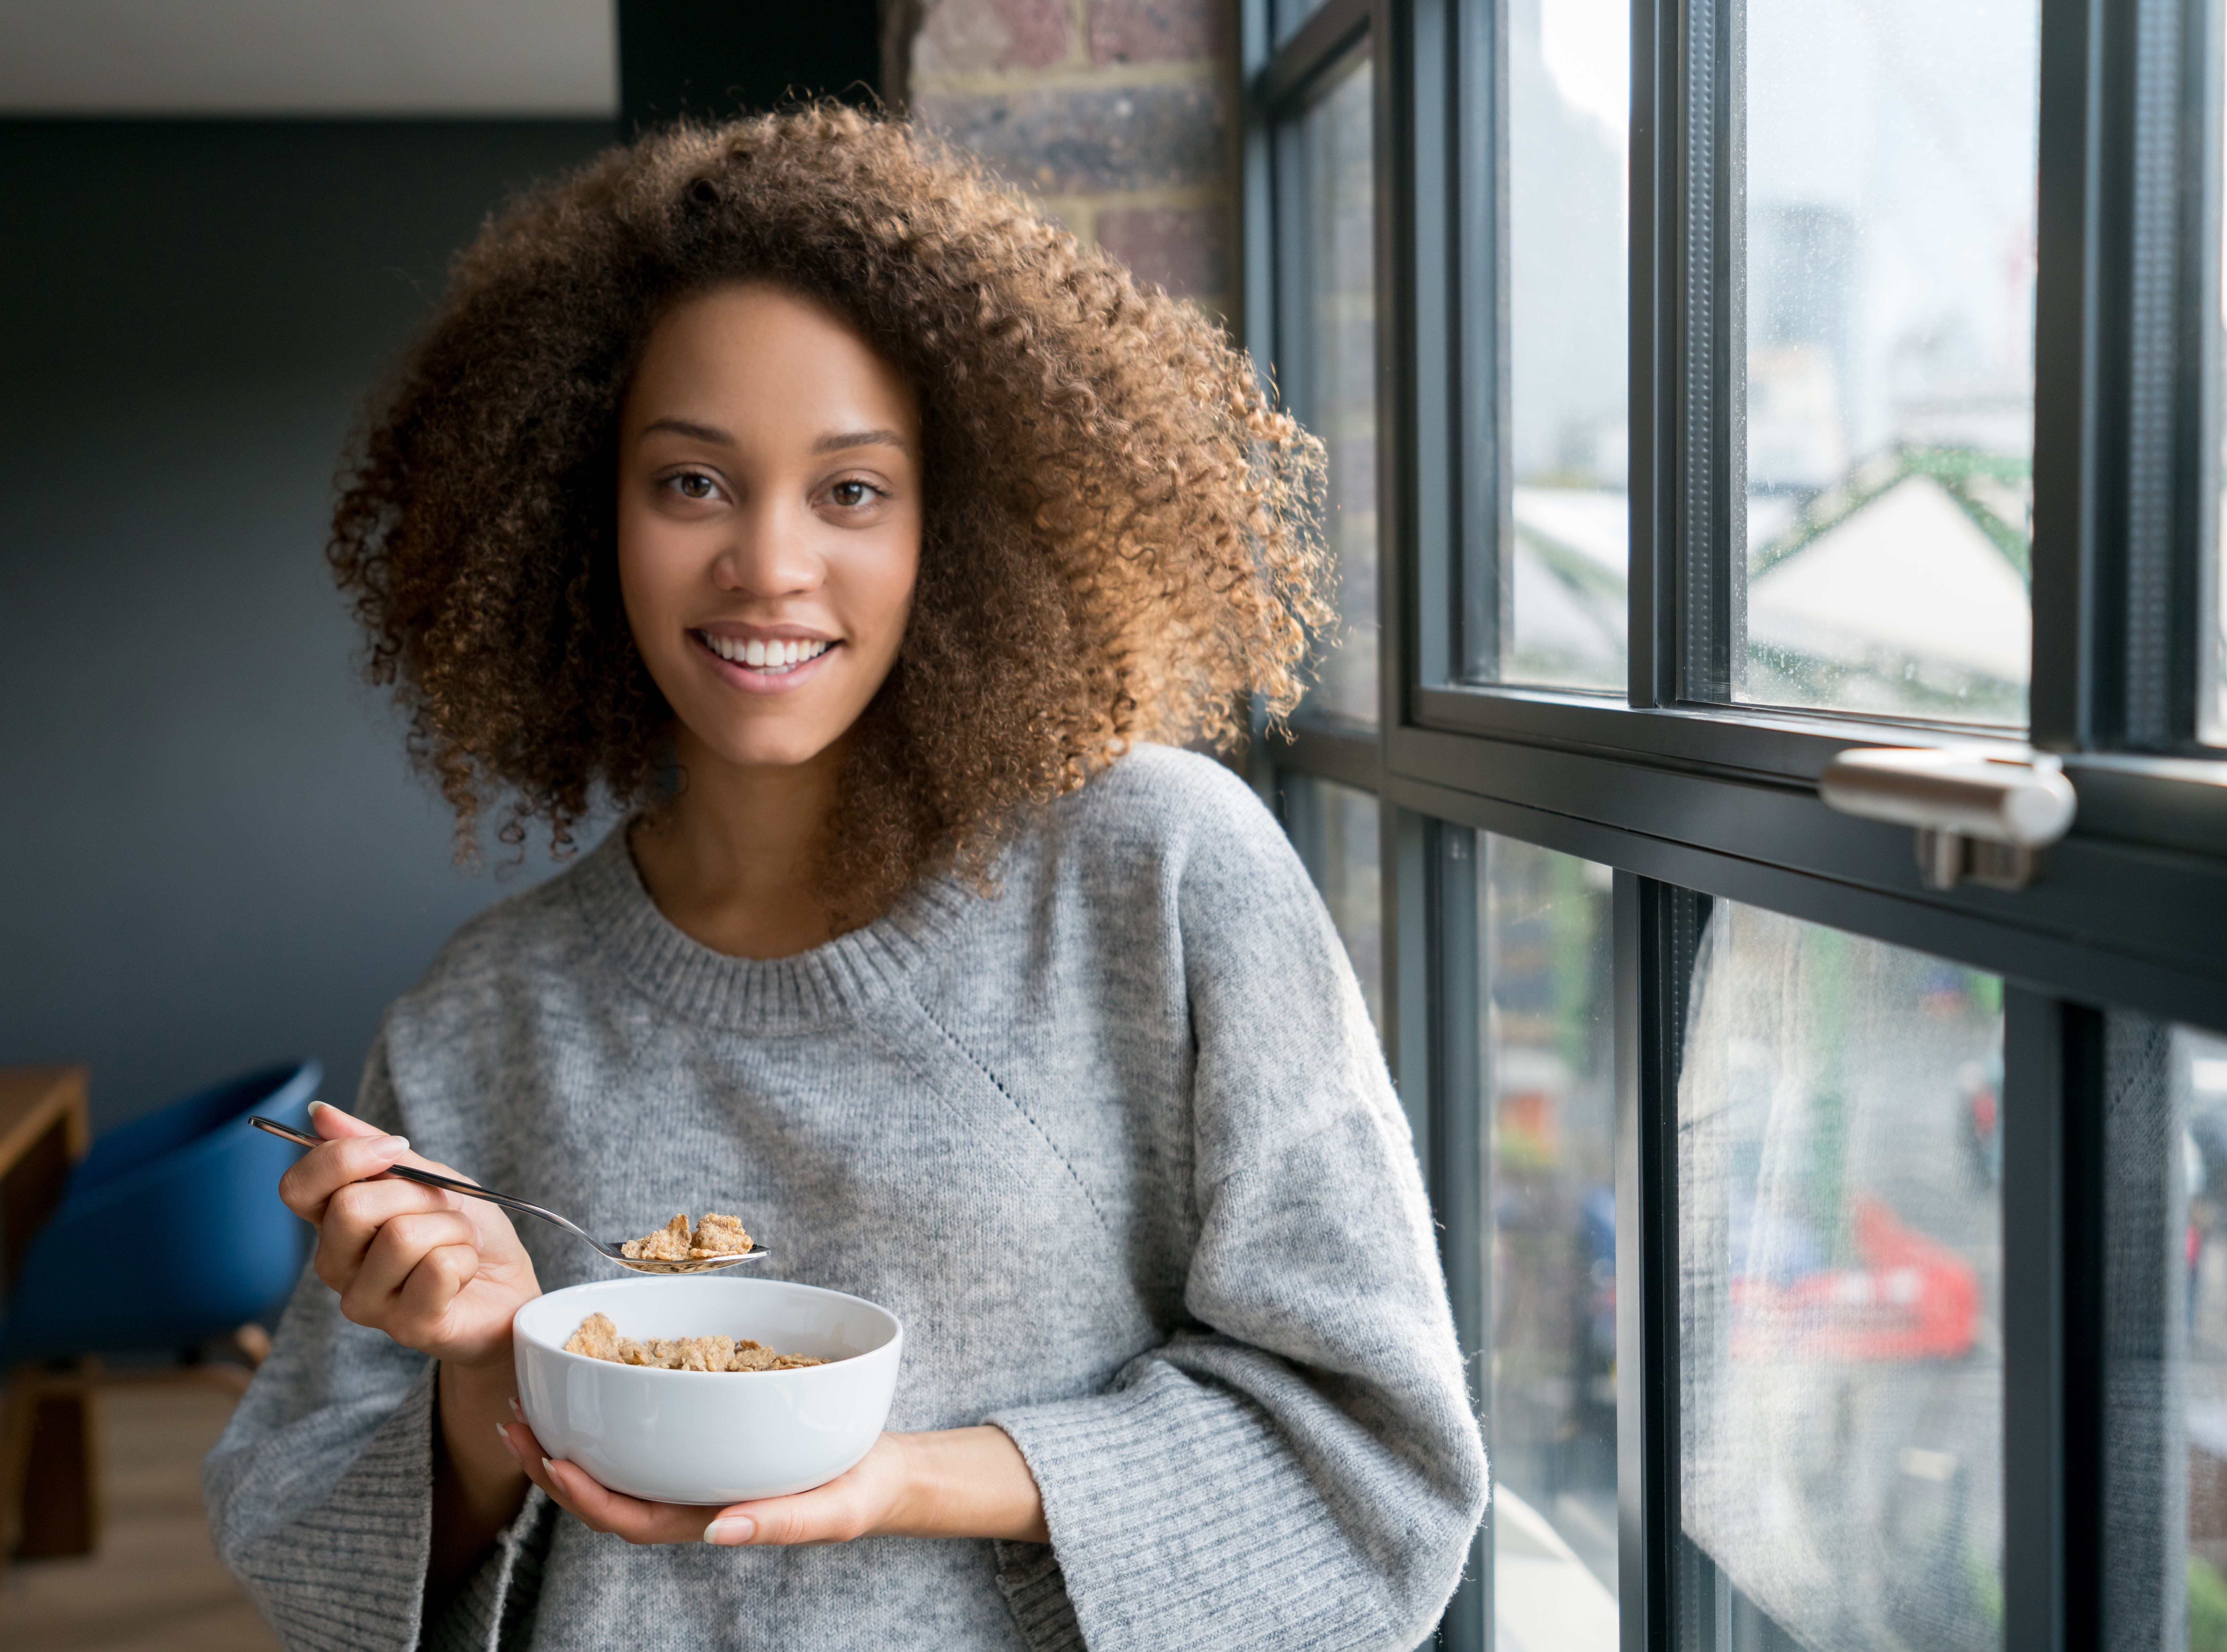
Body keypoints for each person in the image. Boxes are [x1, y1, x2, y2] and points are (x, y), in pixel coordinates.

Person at [204, 106, 1486, 1651]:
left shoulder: (1159, 872)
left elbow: (1378, 1462)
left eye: (853, 491)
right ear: (574, 510)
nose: (767, 561)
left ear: (955, 524)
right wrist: (488, 1376)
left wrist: (904, 1479)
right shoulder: (484, 1015)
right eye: (690, 483)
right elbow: (305, 1552)